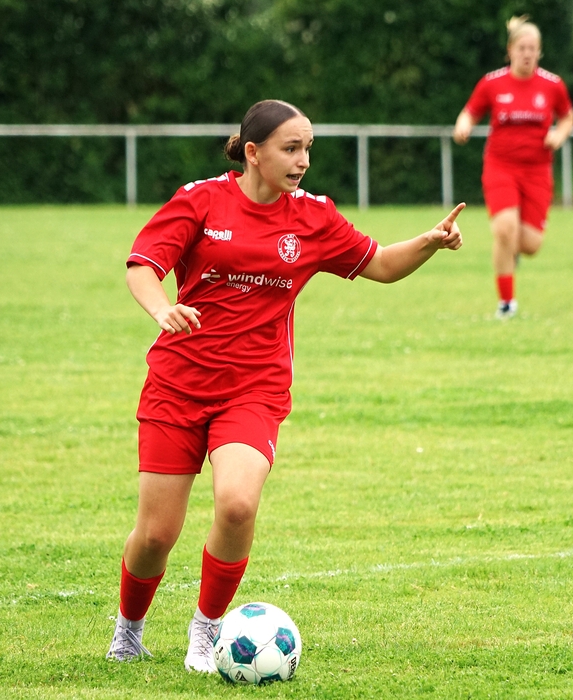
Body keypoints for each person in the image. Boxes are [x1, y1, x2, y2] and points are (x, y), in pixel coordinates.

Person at [107, 99, 464, 672]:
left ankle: (207, 631)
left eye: (307, 149)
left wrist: (429, 241)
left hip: (254, 389)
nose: (303, 161)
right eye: (291, 148)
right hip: (177, 385)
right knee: (155, 536)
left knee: (237, 504)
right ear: (253, 152)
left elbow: (380, 264)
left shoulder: (314, 217)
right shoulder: (200, 201)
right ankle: (128, 632)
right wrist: (160, 309)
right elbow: (142, 266)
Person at [453, 16, 573, 319]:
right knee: (504, 230)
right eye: (522, 48)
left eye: (533, 49)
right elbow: (469, 112)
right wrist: (463, 127)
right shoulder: (492, 83)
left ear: (539, 52)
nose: (527, 54)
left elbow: (567, 116)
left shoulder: (552, 85)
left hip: (537, 171)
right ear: (510, 50)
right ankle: (506, 303)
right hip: (501, 167)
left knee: (531, 245)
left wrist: (558, 136)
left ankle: (513, 252)